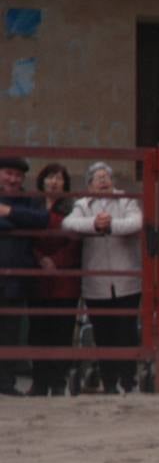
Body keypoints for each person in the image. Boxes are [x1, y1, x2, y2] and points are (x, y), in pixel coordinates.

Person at [62, 161, 142, 395]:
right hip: (96, 284)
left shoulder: (126, 200)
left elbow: (136, 222)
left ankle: (128, 380)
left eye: (106, 176)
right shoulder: (83, 204)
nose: (103, 181)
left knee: (127, 331)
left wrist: (110, 225)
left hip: (127, 281)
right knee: (104, 332)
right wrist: (94, 224)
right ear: (89, 183)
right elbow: (69, 223)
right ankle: (109, 382)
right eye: (97, 178)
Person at [27, 163, 81, 396]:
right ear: (42, 181)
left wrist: (55, 261)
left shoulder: (73, 208)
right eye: (50, 177)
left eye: (59, 178)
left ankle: (57, 382)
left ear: (65, 184)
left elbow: (75, 242)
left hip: (64, 281)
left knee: (61, 331)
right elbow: (26, 238)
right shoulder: (32, 206)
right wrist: (40, 259)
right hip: (38, 278)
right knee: (38, 331)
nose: (54, 182)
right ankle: (39, 382)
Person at [0, 155, 49, 396]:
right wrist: (17, 222)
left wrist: (7, 211)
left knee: (10, 331)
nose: (13, 179)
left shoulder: (30, 199)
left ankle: (6, 383)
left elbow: (41, 220)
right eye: (8, 173)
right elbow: (26, 223)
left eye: (18, 175)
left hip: (16, 278)